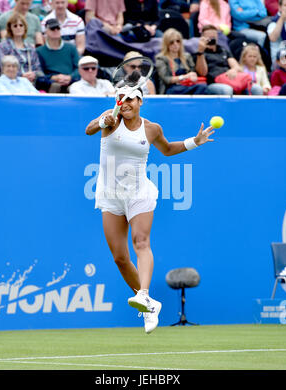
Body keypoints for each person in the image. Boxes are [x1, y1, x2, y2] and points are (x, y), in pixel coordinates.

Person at [85, 84, 215, 334]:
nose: (126, 103)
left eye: (131, 99)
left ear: (140, 102)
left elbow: (167, 150)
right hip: (110, 196)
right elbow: (88, 130)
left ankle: (143, 294)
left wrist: (194, 142)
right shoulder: (110, 120)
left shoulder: (152, 128)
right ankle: (149, 306)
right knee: (120, 258)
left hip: (138, 193)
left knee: (141, 242)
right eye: (121, 99)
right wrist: (102, 122)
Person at [155, 28, 208, 95]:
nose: (175, 44)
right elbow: (166, 79)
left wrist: (193, 75)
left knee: (202, 86)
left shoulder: (187, 56)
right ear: (166, 44)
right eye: (171, 42)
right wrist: (184, 77)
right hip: (171, 88)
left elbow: (192, 71)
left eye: (178, 41)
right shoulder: (161, 58)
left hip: (187, 85)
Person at [0, 13, 43, 85]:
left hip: (30, 83)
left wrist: (33, 74)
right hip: (10, 82)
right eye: (15, 26)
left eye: (21, 25)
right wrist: (21, 75)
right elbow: (3, 66)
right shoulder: (3, 46)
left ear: (25, 28)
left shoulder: (30, 48)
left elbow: (37, 67)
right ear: (10, 29)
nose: (18, 28)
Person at [196, 24, 244, 94]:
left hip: (229, 78)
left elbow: (237, 67)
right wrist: (201, 52)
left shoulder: (223, 50)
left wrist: (233, 70)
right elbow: (202, 73)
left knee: (255, 88)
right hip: (213, 82)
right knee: (227, 89)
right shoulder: (200, 54)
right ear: (202, 37)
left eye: (213, 37)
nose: (211, 39)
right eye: (209, 37)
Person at [36, 18, 79, 93]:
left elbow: (79, 68)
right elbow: (39, 72)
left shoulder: (71, 48)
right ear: (46, 31)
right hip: (51, 83)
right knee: (55, 86)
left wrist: (70, 77)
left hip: (71, 81)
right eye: (52, 28)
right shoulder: (40, 51)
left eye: (58, 28)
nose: (56, 30)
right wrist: (53, 77)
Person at [267, 0, 286, 65]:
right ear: (280, 7)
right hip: (280, 62)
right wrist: (282, 18)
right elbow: (273, 38)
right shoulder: (274, 22)